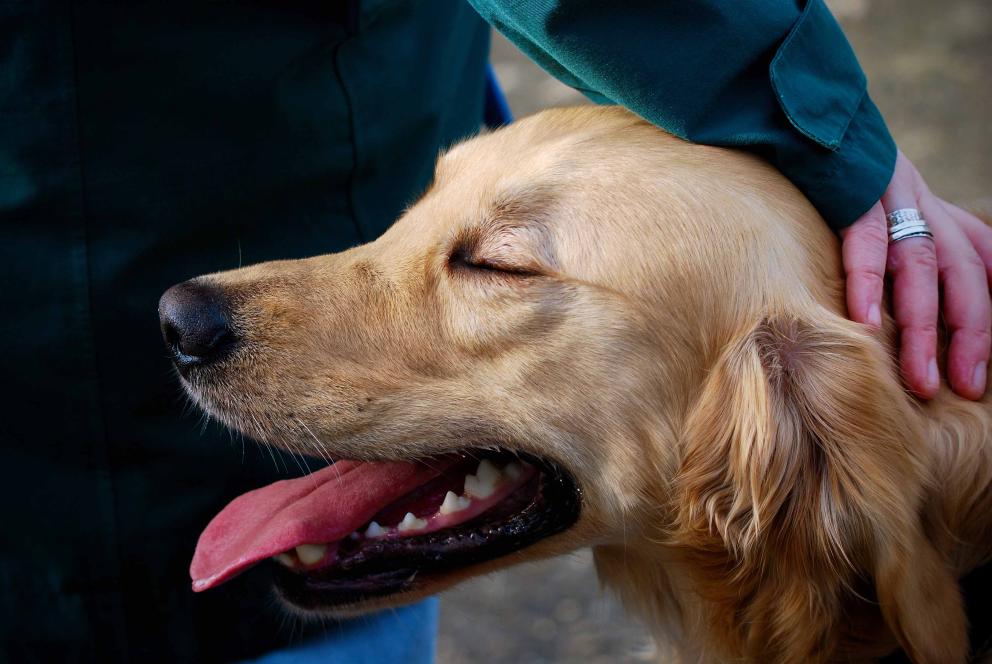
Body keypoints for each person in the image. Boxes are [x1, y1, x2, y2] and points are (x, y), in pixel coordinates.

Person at [0, 1, 986, 662]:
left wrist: (808, 114)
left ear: (790, 458)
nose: (211, 306)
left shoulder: (854, 510)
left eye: (494, 264)